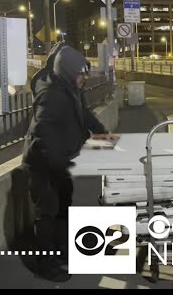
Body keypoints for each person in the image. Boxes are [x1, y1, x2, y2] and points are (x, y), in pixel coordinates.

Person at [22, 45, 115, 282]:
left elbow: (82, 112)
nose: (84, 78)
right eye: (81, 74)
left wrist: (101, 132)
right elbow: (43, 135)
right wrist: (59, 164)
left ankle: (61, 250)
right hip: (44, 164)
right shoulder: (51, 96)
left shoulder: (69, 87)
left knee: (64, 205)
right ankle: (44, 263)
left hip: (62, 160)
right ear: (67, 72)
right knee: (47, 211)